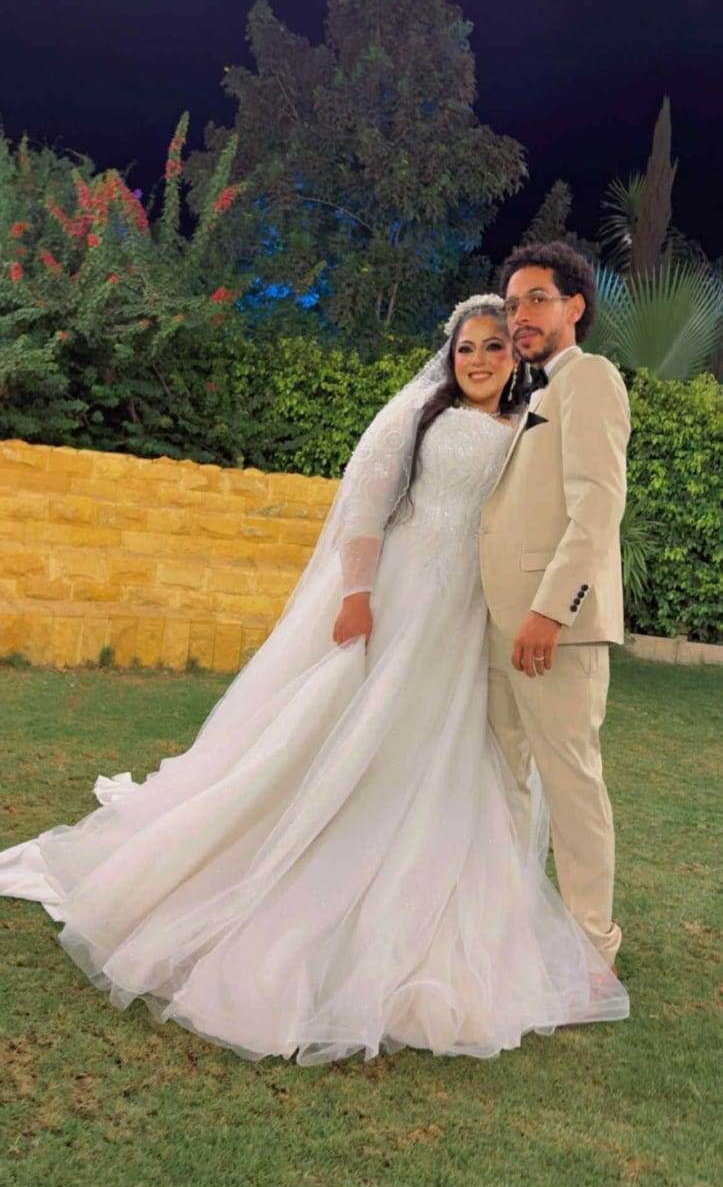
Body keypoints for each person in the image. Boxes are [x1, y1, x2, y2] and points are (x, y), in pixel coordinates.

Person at [0, 295, 629, 1066]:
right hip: (401, 595)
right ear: (449, 354)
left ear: (514, 358)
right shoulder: (420, 417)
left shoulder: (529, 426)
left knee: (440, 754)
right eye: (465, 347)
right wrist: (356, 594)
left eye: (493, 348)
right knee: (346, 733)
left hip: (469, 617)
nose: (477, 360)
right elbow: (364, 502)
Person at [481, 242, 630, 974]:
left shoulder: (590, 378)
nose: (520, 316)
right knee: (502, 779)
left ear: (574, 305)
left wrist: (551, 612)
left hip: (552, 630)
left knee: (570, 786)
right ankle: (513, 927)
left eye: (535, 299)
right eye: (512, 304)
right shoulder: (529, 392)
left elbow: (597, 504)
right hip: (498, 624)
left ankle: (591, 951)